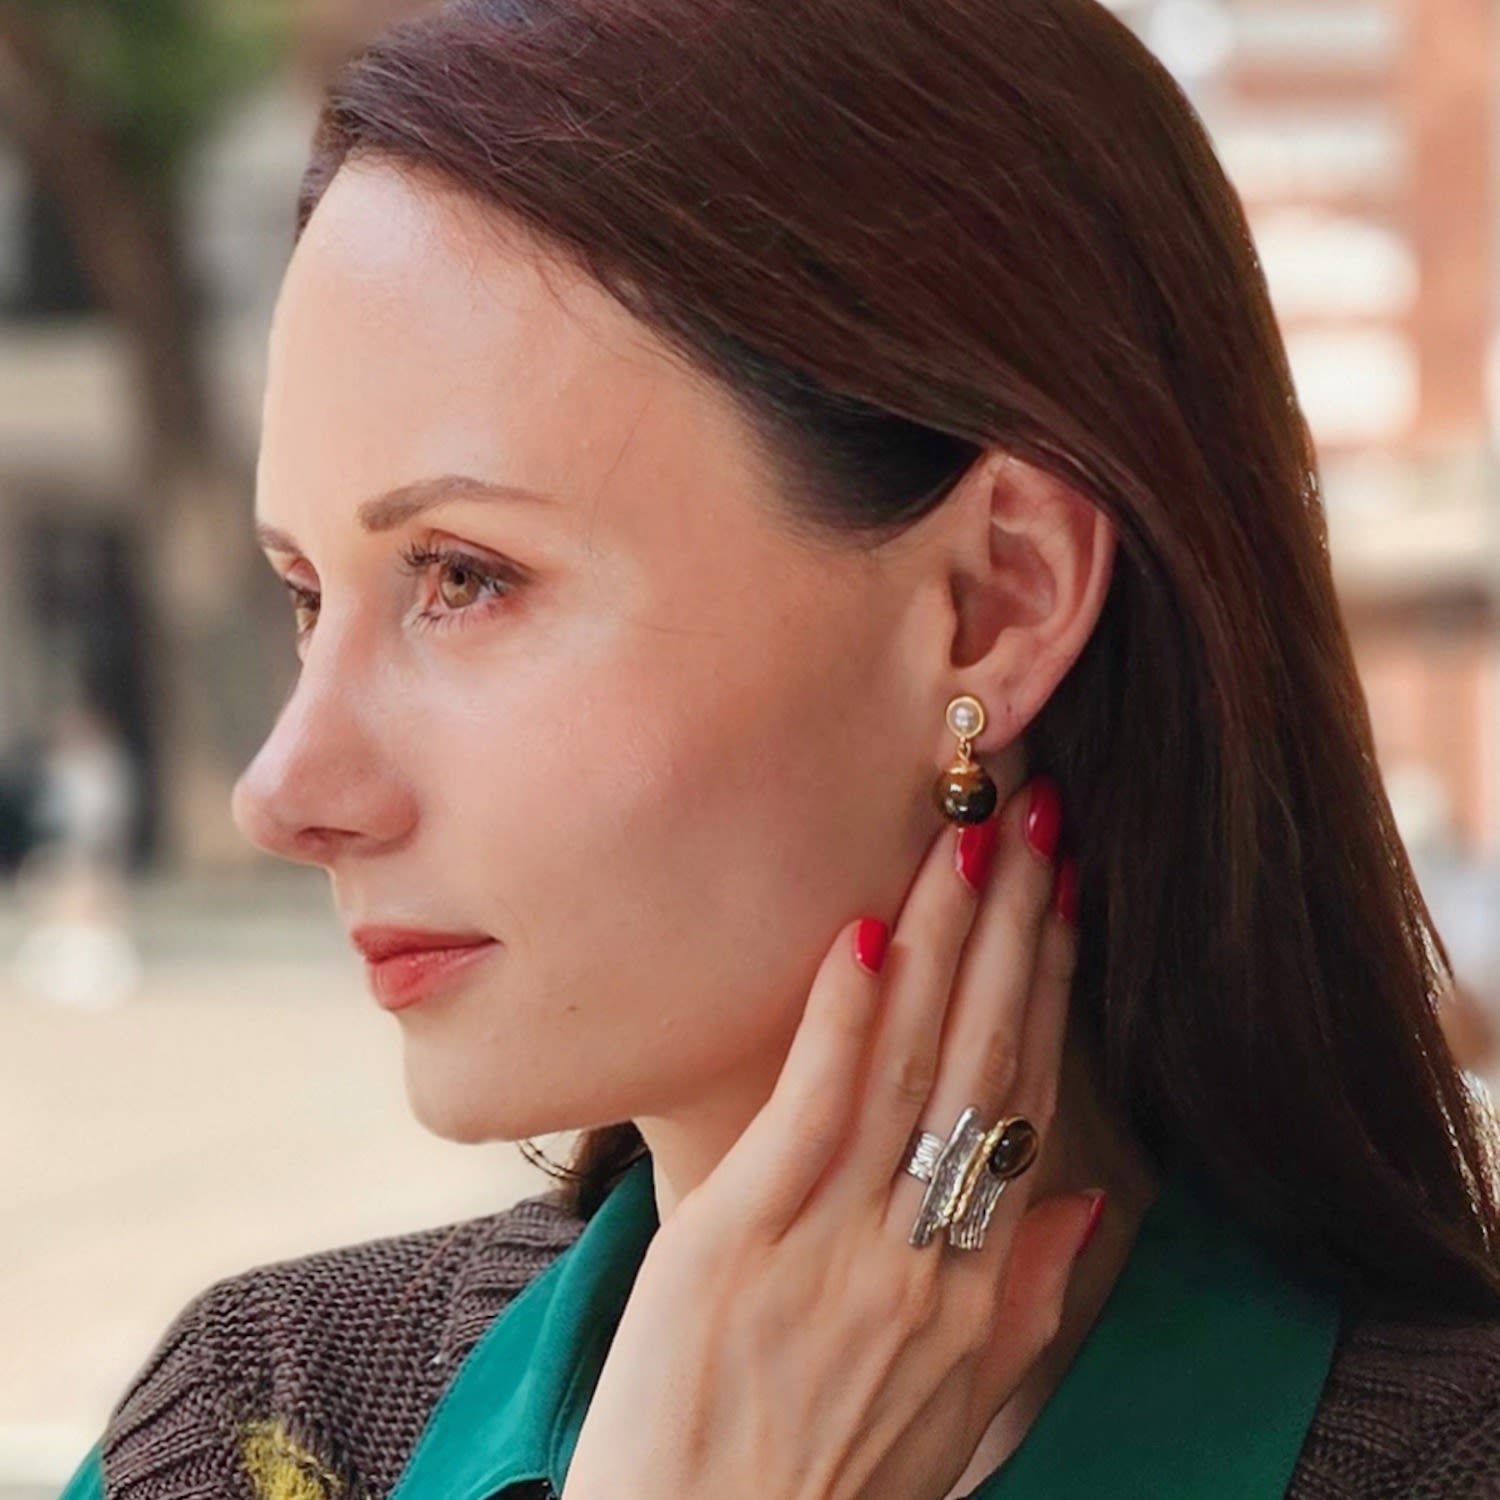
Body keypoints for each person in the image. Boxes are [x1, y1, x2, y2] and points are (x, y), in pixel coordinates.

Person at [59, 0, 1500, 1496]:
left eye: (465, 575)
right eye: (305, 596)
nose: (284, 792)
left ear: (994, 600)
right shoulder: (256, 1429)